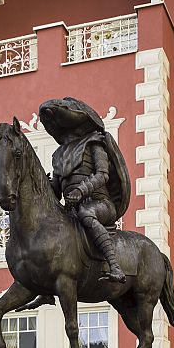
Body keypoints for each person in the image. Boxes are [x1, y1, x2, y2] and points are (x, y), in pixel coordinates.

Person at [38, 97, 131, 282]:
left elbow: (102, 175)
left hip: (100, 203)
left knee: (86, 213)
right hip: (71, 209)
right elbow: (57, 190)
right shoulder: (58, 155)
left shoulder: (94, 143)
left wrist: (80, 191)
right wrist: (45, 185)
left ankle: (115, 266)